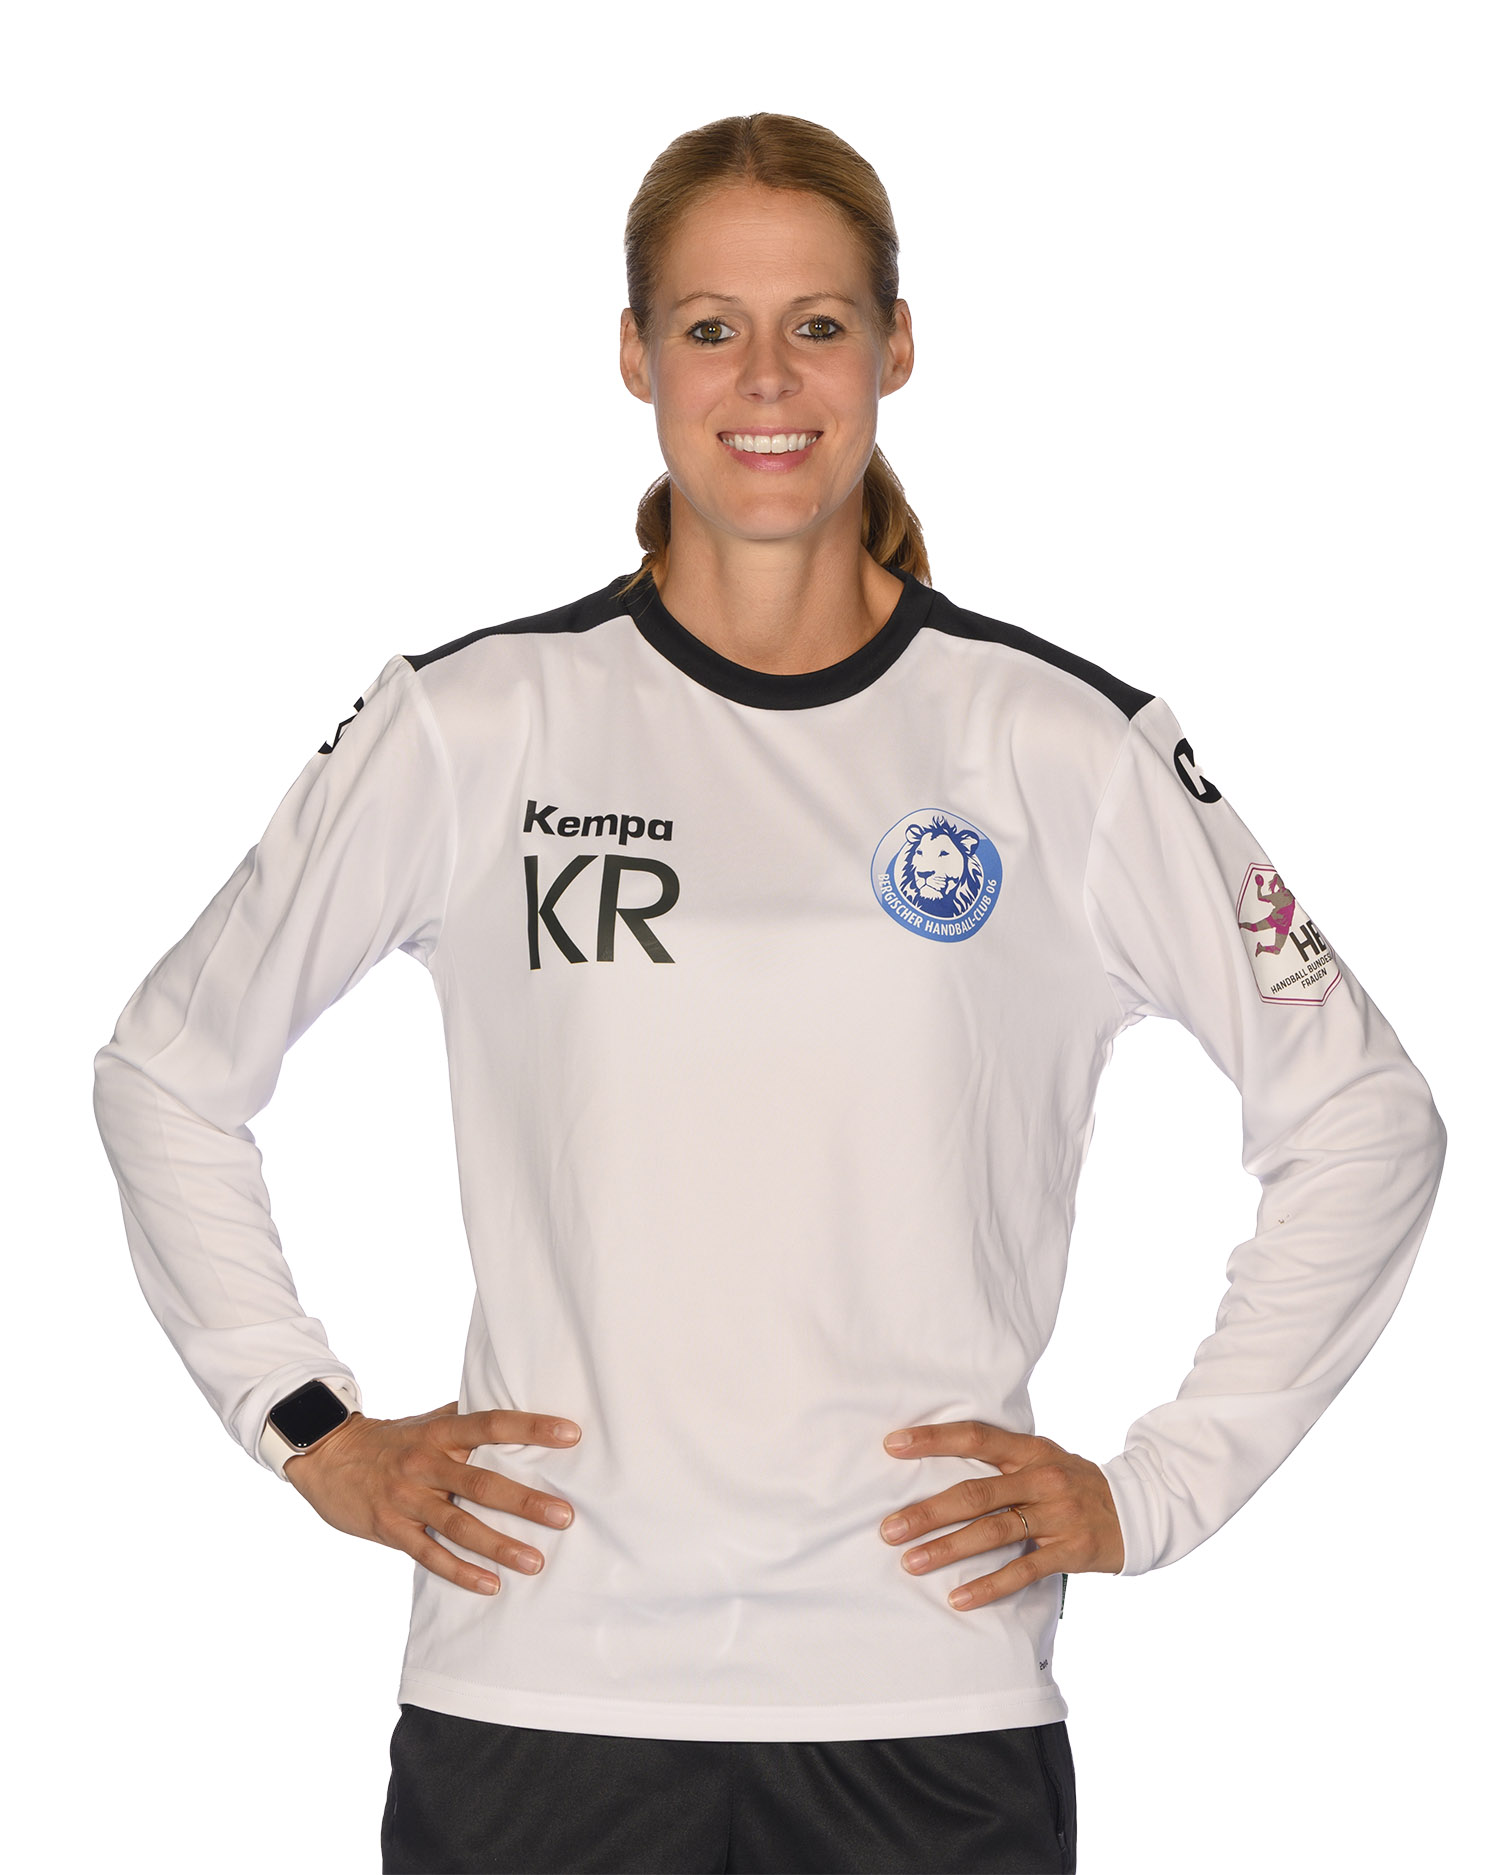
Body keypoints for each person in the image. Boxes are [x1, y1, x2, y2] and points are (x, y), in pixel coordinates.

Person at [92, 112, 1446, 1875]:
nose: (765, 379)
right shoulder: (480, 723)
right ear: (636, 356)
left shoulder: (1059, 747)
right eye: (710, 326)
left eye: (817, 323)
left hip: (926, 1697)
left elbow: (1365, 1120)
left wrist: (1155, 1490)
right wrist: (313, 1432)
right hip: (541, 1691)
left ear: (896, 346)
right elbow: (166, 1072)